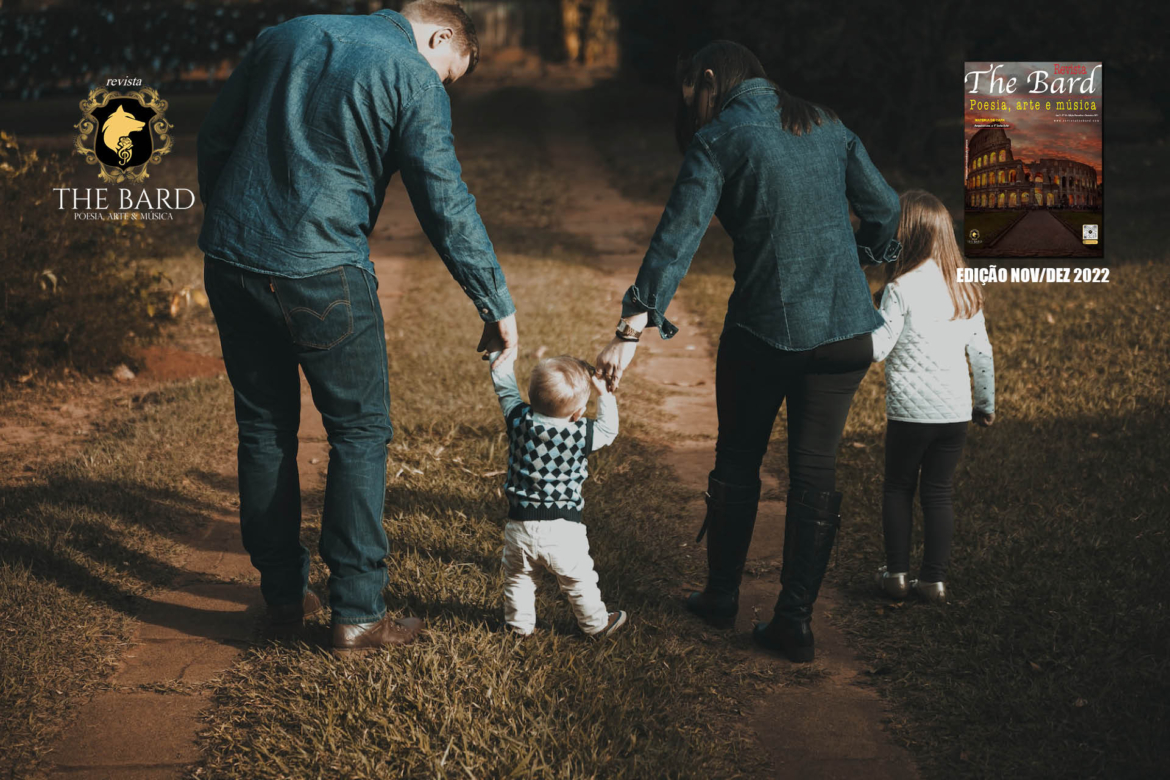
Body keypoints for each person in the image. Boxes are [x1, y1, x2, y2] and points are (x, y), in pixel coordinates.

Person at [197, 1, 519, 655]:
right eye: (448, 73)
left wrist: (233, 224)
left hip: (230, 260)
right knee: (360, 432)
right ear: (437, 34)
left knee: (264, 427)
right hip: (322, 271)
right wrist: (493, 300)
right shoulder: (411, 74)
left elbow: (214, 138)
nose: (441, 86)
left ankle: (284, 596)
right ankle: (359, 613)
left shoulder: (285, 35)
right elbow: (443, 199)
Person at [594, 41, 901, 663]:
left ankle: (720, 597)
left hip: (764, 334)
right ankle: (794, 623)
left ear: (711, 80)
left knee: (737, 460)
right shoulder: (826, 122)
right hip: (846, 336)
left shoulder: (721, 138)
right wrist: (863, 258)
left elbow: (674, 242)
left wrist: (629, 334)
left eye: (696, 99)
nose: (698, 114)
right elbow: (887, 209)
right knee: (815, 471)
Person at [871, 190, 996, 604]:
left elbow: (878, 349)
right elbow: (981, 352)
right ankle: (934, 582)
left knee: (898, 488)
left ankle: (896, 576)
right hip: (955, 414)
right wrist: (985, 404)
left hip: (909, 415)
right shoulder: (965, 288)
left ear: (904, 236)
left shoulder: (899, 288)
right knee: (939, 492)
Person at [488, 351, 626, 638]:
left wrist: (499, 357)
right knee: (579, 580)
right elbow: (609, 430)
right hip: (564, 530)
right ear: (577, 413)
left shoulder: (519, 421)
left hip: (520, 526)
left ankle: (517, 626)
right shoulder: (581, 433)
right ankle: (596, 624)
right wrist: (604, 395)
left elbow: (505, 390)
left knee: (519, 578)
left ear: (532, 397)